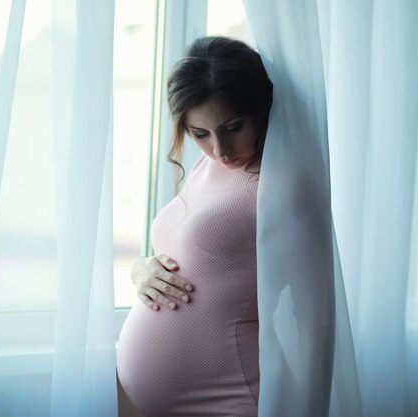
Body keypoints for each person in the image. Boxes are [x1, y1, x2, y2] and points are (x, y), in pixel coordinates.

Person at [116, 35, 273, 417]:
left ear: (259, 111)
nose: (220, 149)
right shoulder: (208, 167)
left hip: (230, 397)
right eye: (200, 134)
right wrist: (141, 269)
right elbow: (195, 255)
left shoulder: (275, 184)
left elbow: (311, 309)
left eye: (233, 126)